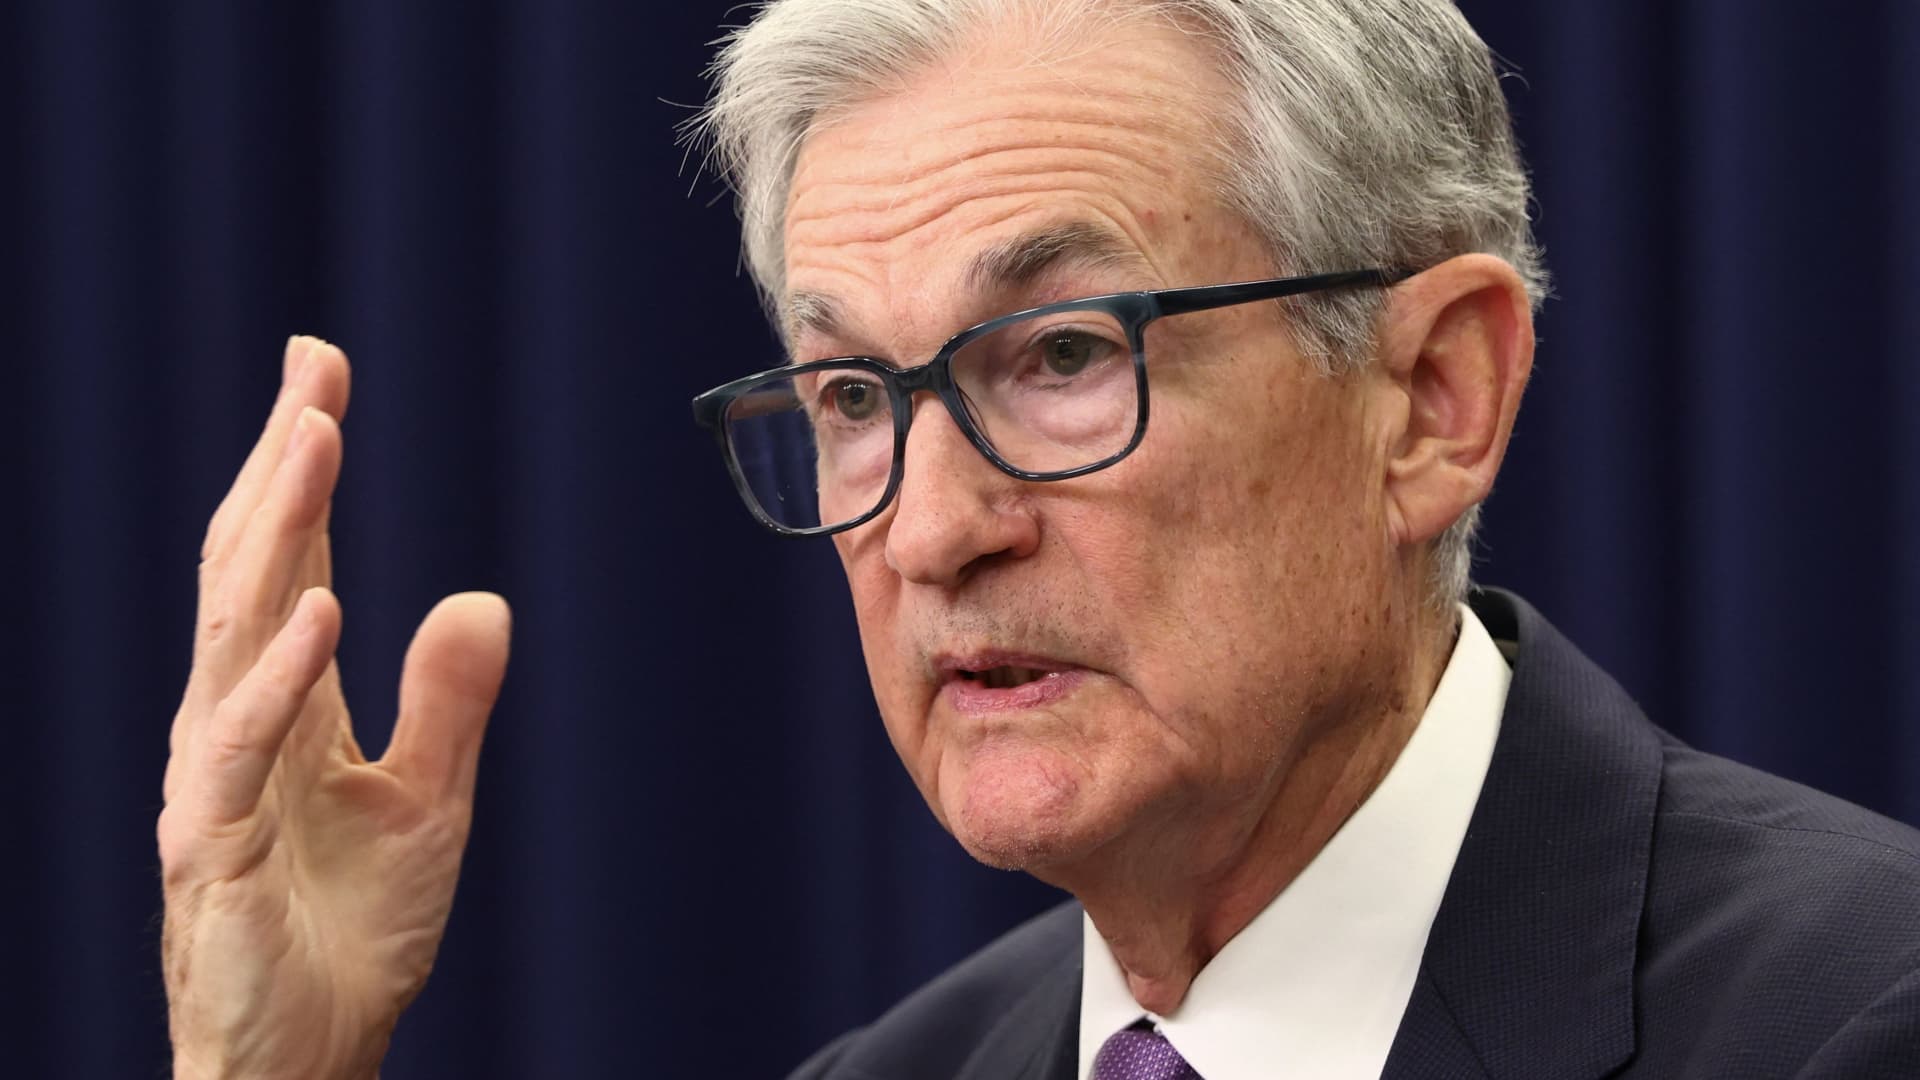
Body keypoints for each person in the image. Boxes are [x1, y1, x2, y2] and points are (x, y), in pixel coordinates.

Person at [158, 1, 1920, 1077]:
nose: (931, 530)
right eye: (855, 394)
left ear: (1432, 398)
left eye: (1065, 357)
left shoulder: (1855, 1025)